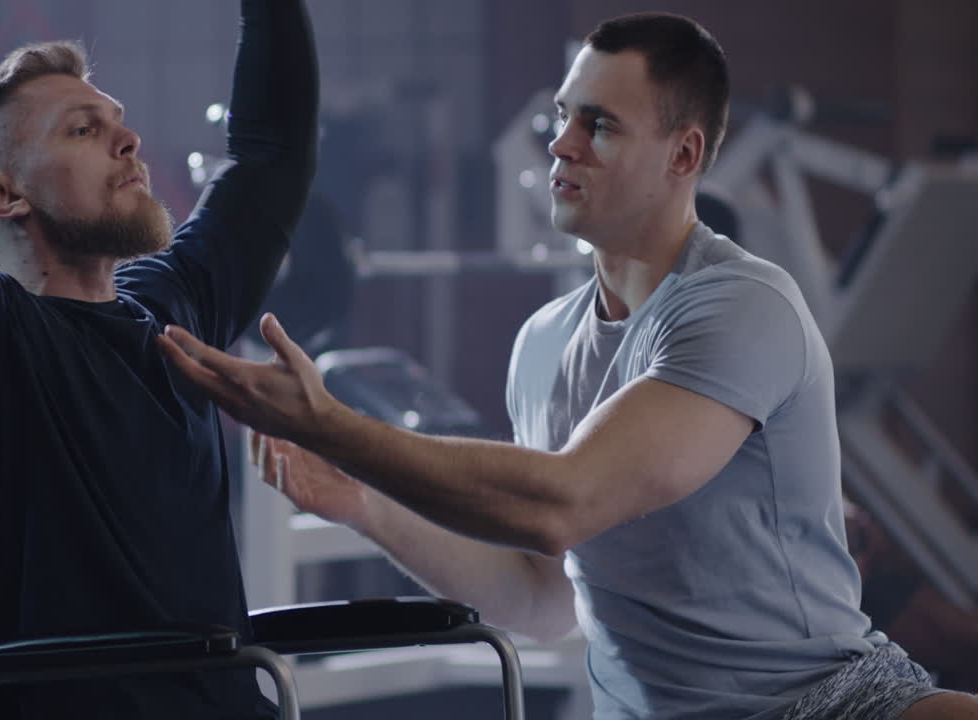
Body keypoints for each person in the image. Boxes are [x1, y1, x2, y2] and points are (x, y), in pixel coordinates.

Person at [157, 12, 978, 720]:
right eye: (563, 117)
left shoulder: (739, 307)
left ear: (684, 154)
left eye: (600, 125)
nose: (561, 144)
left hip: (820, 702)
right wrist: (366, 505)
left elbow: (563, 503)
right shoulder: (543, 343)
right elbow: (543, 598)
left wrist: (331, 425)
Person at [0, 0, 317, 716]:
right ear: (1, 195)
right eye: (83, 130)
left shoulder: (173, 311)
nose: (127, 140)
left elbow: (272, 152)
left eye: (116, 120)